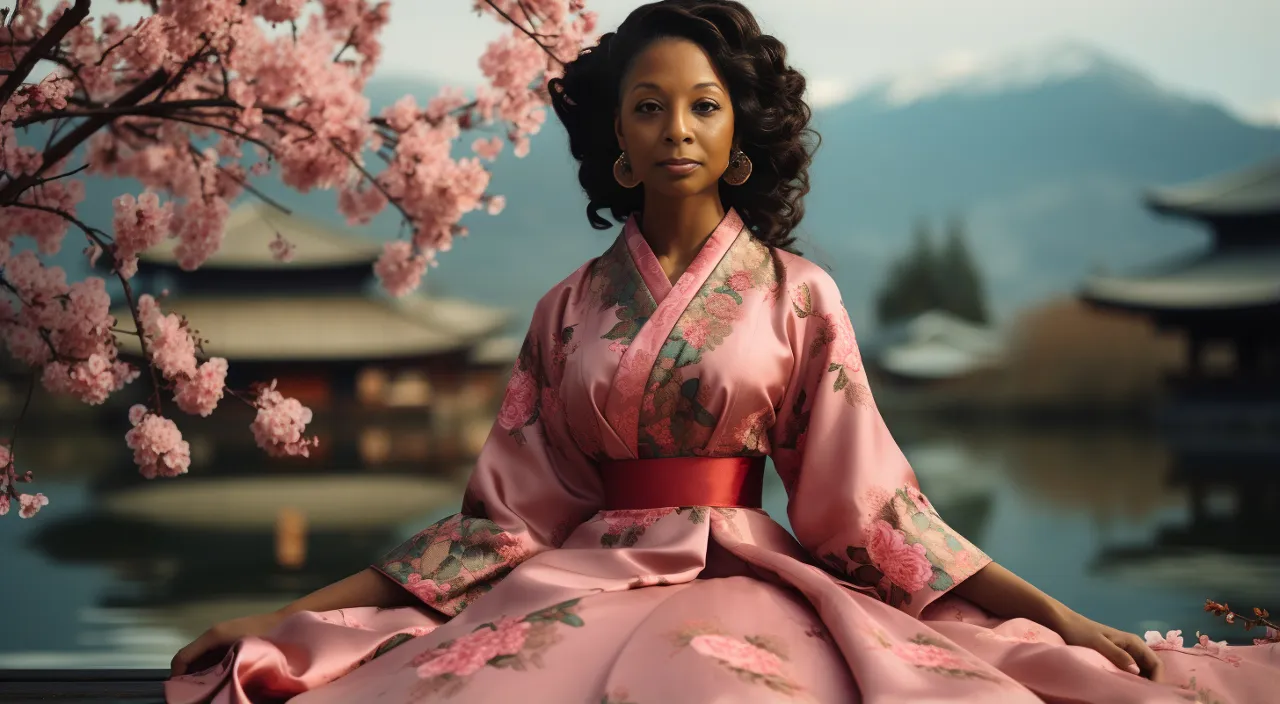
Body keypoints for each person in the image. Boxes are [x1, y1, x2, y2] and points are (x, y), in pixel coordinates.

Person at [166, 2, 1279, 702]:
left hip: (755, 571)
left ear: (739, 129)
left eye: (702, 105)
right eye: (647, 107)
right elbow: (497, 524)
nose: (676, 128)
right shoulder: (564, 308)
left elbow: (873, 512)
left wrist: (1057, 615)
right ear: (617, 135)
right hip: (578, 574)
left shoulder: (799, 294)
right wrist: (282, 612)